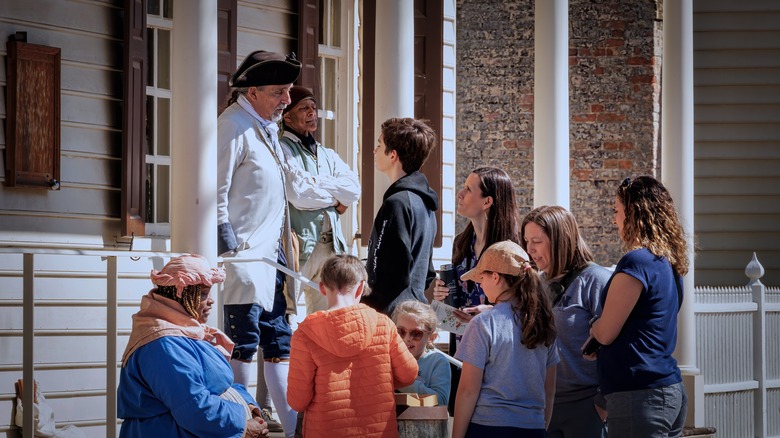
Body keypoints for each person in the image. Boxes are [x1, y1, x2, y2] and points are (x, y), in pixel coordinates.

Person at [216, 50, 303, 437]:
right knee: (243, 343)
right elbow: (215, 189)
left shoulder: (265, 128)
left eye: (288, 91)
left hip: (272, 258)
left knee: (279, 342)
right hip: (243, 259)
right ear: (252, 92)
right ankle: (244, 428)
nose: (287, 100)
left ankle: (297, 430)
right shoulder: (232, 126)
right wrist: (227, 245)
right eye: (279, 92)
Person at [118, 255, 269, 438]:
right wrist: (242, 425)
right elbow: (193, 407)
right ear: (180, 296)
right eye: (204, 293)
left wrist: (250, 408)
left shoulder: (182, 334)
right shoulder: (163, 345)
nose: (211, 301)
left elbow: (222, 385)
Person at [587, 176, 688, 437]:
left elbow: (607, 331)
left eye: (617, 211)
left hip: (640, 395)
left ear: (633, 213)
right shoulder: (667, 265)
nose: (614, 219)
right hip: (663, 390)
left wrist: (594, 328)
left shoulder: (637, 262)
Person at [287, 254, 419, 437]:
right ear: (360, 289)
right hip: (378, 431)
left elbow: (298, 401)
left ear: (322, 288)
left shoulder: (305, 334)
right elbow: (409, 373)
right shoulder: (383, 324)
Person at [428, 167, 521, 413]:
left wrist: (490, 311)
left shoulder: (512, 246)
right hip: (462, 347)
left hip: (498, 352)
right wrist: (442, 294)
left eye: (469, 189)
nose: (459, 194)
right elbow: (455, 295)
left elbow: (526, 299)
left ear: (487, 201)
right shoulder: (462, 242)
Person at [520, 205, 610, 437]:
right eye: (526, 240)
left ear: (560, 239)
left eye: (537, 241)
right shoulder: (536, 283)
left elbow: (615, 345)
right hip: (544, 404)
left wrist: (601, 403)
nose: (529, 249)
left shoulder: (596, 280)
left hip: (586, 405)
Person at [453, 241, 559, 438]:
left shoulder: (483, 323)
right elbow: (549, 389)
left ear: (495, 277)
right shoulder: (544, 324)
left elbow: (468, 390)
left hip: (488, 428)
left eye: (481, 277)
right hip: (534, 428)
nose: (480, 284)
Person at [279, 85, 361, 314]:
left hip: (331, 246)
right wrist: (336, 200)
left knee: (326, 314)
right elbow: (298, 195)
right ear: (287, 115)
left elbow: (353, 190)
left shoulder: (328, 154)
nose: (311, 112)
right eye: (304, 107)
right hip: (298, 244)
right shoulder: (282, 148)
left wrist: (316, 182)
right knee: (287, 311)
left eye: (313, 107)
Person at [362, 117, 439, 316]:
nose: (375, 150)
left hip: (391, 316)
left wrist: (367, 302)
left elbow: (390, 270)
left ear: (393, 155)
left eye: (379, 145)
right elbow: (427, 272)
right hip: (414, 312)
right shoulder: (424, 204)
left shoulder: (397, 203)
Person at [391, 300, 452, 406]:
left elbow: (441, 402)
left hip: (422, 422)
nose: (407, 338)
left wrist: (404, 382)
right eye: (401, 331)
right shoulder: (388, 358)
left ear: (431, 338)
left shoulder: (437, 362)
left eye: (416, 334)